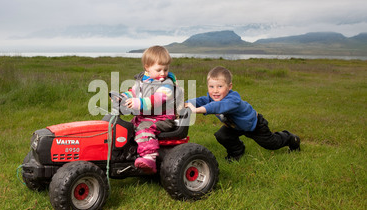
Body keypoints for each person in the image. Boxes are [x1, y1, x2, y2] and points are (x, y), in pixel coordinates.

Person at [185, 66, 300, 161]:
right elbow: (200, 100)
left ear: (229, 87)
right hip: (235, 126)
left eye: (220, 86)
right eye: (211, 87)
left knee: (271, 144)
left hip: (254, 125)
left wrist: (197, 110)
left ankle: (291, 139)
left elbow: (218, 106)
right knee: (222, 135)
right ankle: (237, 152)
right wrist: (185, 104)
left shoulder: (233, 99)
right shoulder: (212, 98)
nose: (215, 91)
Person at [121, 46, 178, 174]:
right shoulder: (142, 81)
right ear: (147, 67)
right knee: (128, 126)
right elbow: (133, 92)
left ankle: (149, 157)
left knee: (144, 128)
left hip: (162, 118)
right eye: (159, 70)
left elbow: (157, 100)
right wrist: (124, 97)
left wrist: (139, 103)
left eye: (166, 69)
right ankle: (129, 153)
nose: (163, 73)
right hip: (146, 116)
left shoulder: (167, 84)